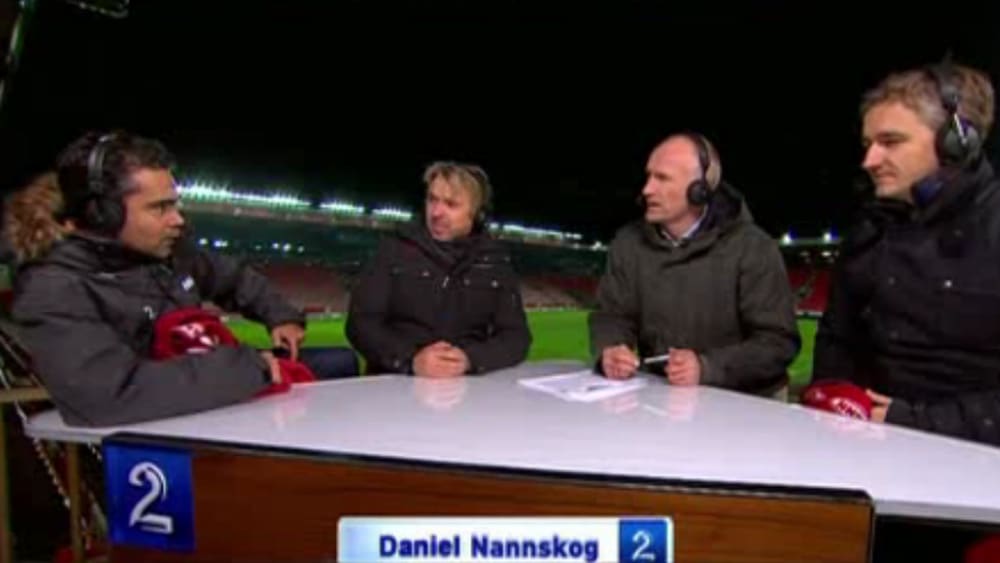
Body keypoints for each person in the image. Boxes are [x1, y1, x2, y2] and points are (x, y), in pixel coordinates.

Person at [5, 131, 357, 427]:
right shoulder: (52, 288)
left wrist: (280, 316)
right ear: (103, 214)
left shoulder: (173, 255)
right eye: (159, 207)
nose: (178, 220)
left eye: (175, 204)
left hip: (211, 397)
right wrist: (251, 366)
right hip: (157, 436)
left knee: (337, 362)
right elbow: (109, 395)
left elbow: (234, 278)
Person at [812, 61, 1000, 446]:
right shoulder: (868, 230)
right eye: (868, 144)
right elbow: (836, 343)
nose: (869, 161)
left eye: (891, 141)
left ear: (956, 142)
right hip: (868, 454)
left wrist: (915, 421)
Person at [588, 132, 800, 398]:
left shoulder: (754, 248)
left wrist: (707, 367)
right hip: (662, 397)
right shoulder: (627, 243)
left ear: (700, 190)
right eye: (648, 176)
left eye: (662, 178)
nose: (647, 189)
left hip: (743, 401)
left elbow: (778, 342)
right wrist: (611, 349)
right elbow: (611, 315)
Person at [346, 161, 531, 376]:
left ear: (477, 214)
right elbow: (361, 324)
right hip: (395, 381)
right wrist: (411, 360)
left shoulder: (495, 262)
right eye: (432, 199)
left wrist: (470, 359)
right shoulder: (393, 250)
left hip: (466, 386)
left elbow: (516, 337)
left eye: (451, 204)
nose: (436, 212)